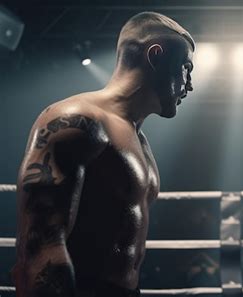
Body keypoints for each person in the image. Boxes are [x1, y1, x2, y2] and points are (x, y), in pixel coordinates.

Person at [12, 11, 194, 297]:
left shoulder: (138, 137)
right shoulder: (77, 120)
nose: (190, 83)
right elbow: (39, 246)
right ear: (155, 55)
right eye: (185, 67)